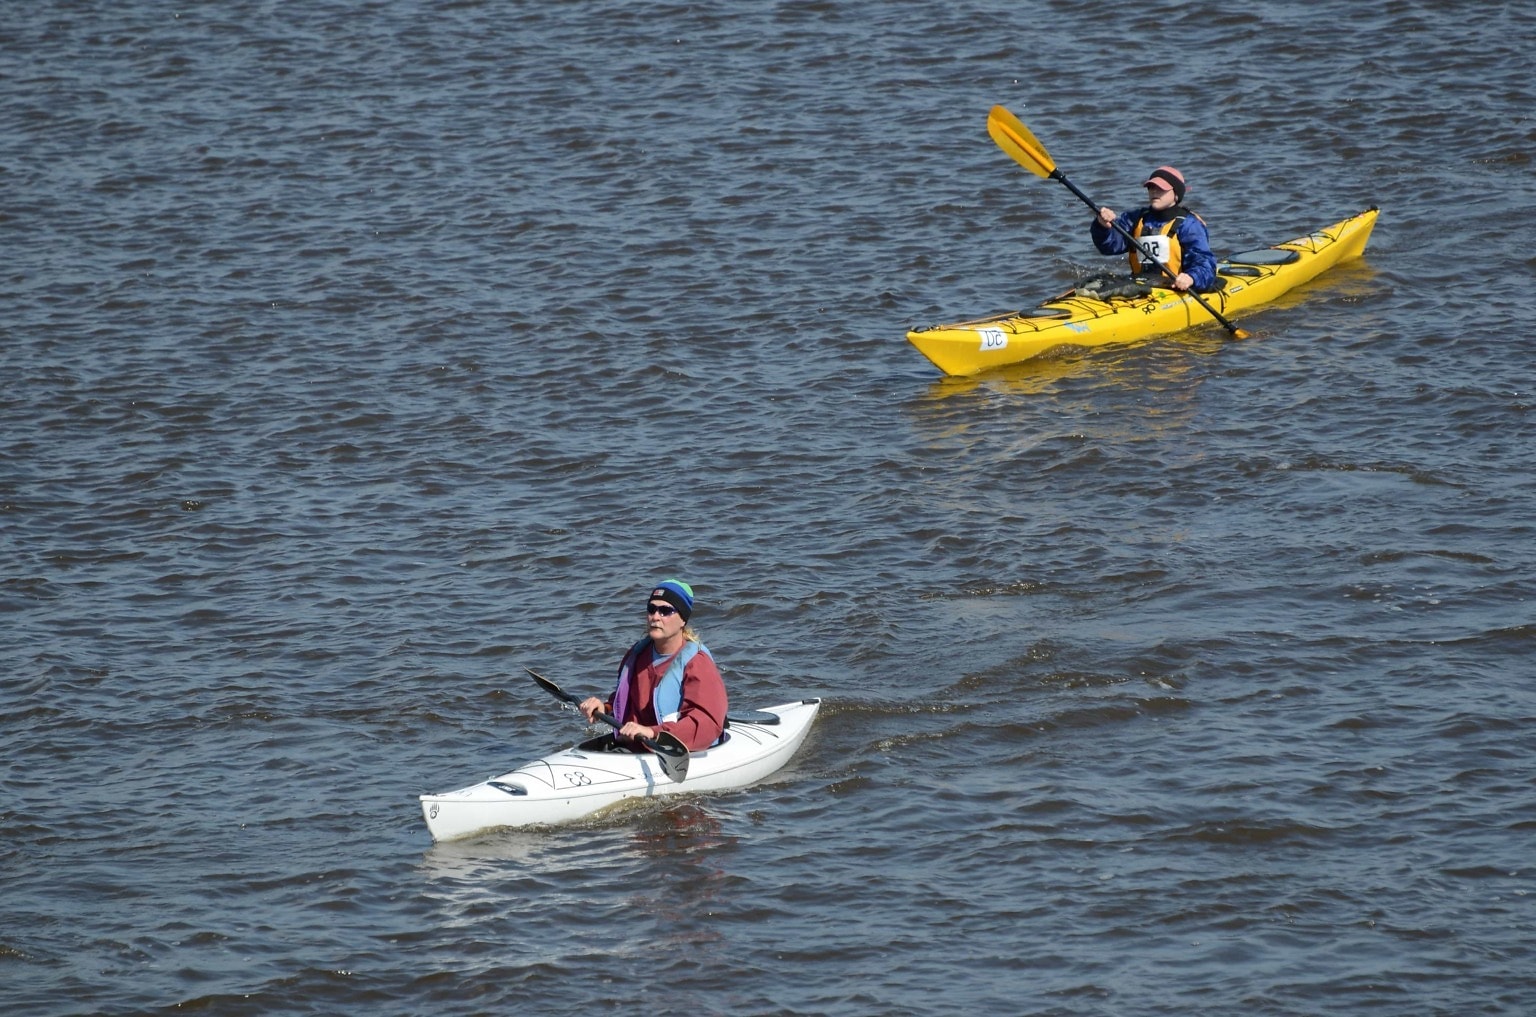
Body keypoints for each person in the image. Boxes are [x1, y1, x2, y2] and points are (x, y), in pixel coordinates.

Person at [579, 578, 728, 752]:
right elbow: (626, 701)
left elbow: (706, 723)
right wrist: (605, 708)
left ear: (683, 620)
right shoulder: (637, 655)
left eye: (665, 611)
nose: (655, 617)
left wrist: (651, 732)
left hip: (675, 749)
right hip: (637, 747)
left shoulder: (697, 663)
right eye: (652, 609)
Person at [1090, 165, 1218, 293]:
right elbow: (1109, 247)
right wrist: (1102, 226)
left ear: (1176, 194)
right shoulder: (1134, 219)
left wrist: (1192, 277)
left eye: (1161, 188)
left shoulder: (1189, 224)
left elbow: (1204, 261)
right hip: (1140, 287)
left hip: (1176, 289)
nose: (1154, 191)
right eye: (1151, 187)